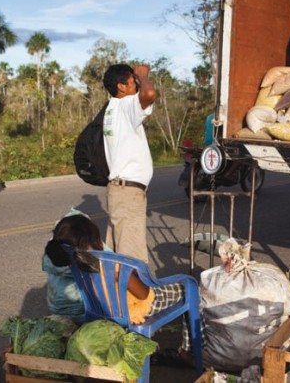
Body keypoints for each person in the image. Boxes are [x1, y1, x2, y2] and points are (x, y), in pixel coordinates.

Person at [43, 208, 195, 365]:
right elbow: (144, 294)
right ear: (95, 241)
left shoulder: (70, 262)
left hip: (97, 312)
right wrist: (127, 275)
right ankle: (188, 353)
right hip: (127, 310)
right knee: (187, 288)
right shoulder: (112, 267)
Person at [102, 64, 157, 263]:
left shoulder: (112, 108)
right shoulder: (125, 106)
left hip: (120, 191)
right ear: (121, 87)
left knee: (118, 257)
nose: (137, 85)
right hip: (127, 193)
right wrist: (143, 74)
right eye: (133, 82)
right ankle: (135, 295)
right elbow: (149, 93)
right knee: (132, 262)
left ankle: (116, 293)